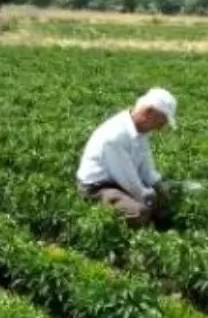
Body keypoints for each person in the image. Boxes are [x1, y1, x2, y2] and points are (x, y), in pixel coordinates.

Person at [76, 88, 178, 228]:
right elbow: (129, 181)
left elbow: (146, 168)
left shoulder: (141, 132)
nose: (160, 129)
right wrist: (150, 196)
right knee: (139, 212)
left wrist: (159, 186)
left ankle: (157, 224)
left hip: (120, 182)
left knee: (163, 203)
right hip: (99, 187)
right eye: (160, 123)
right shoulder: (116, 135)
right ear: (148, 113)